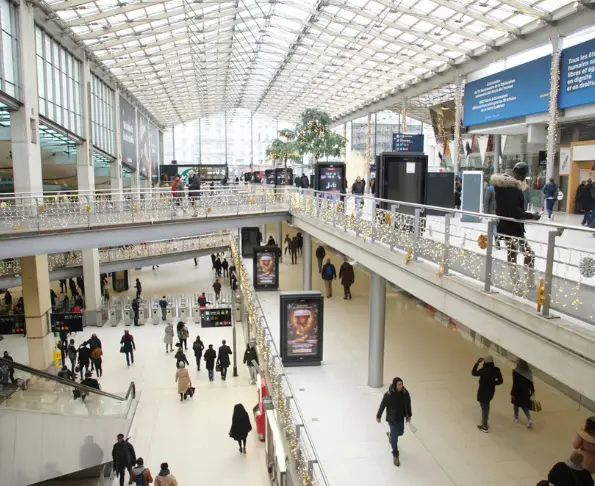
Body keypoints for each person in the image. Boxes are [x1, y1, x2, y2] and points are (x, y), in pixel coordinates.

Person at [492, 163, 541, 288]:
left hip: (505, 227)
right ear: (523, 175)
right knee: (529, 254)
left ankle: (516, 283)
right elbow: (516, 212)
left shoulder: (502, 188)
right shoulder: (513, 189)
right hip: (514, 229)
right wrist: (532, 216)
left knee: (512, 254)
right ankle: (528, 282)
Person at [376, 377, 412, 467]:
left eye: (401, 384)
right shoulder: (389, 395)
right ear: (395, 385)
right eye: (399, 385)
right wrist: (378, 416)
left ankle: (391, 436)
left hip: (400, 418)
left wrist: (409, 415)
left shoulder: (405, 393)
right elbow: (382, 405)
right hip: (392, 419)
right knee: (395, 438)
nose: (401, 386)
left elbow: (408, 404)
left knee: (401, 432)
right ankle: (395, 454)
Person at [472, 355, 503, 433]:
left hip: (483, 390)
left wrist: (477, 363)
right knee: (486, 405)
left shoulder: (483, 370)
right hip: (491, 391)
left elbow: (474, 373)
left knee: (484, 407)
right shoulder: (496, 370)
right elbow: (500, 381)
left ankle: (484, 425)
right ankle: (484, 422)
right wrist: (492, 383)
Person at [510, 358, 534, 428]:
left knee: (515, 404)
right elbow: (531, 383)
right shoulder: (528, 372)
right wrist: (532, 391)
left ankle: (516, 417)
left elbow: (515, 383)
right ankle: (529, 419)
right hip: (525, 391)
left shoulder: (515, 371)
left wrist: (512, 392)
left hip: (517, 391)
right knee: (524, 406)